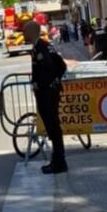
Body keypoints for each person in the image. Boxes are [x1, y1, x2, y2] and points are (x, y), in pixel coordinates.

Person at [23, 19, 67, 174]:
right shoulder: (44, 45)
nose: (23, 33)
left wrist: (43, 84)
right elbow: (61, 66)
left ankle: (59, 162)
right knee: (53, 128)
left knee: (53, 128)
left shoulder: (41, 47)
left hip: (47, 93)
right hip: (50, 91)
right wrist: (56, 80)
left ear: (31, 31)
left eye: (25, 30)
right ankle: (57, 161)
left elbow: (49, 66)